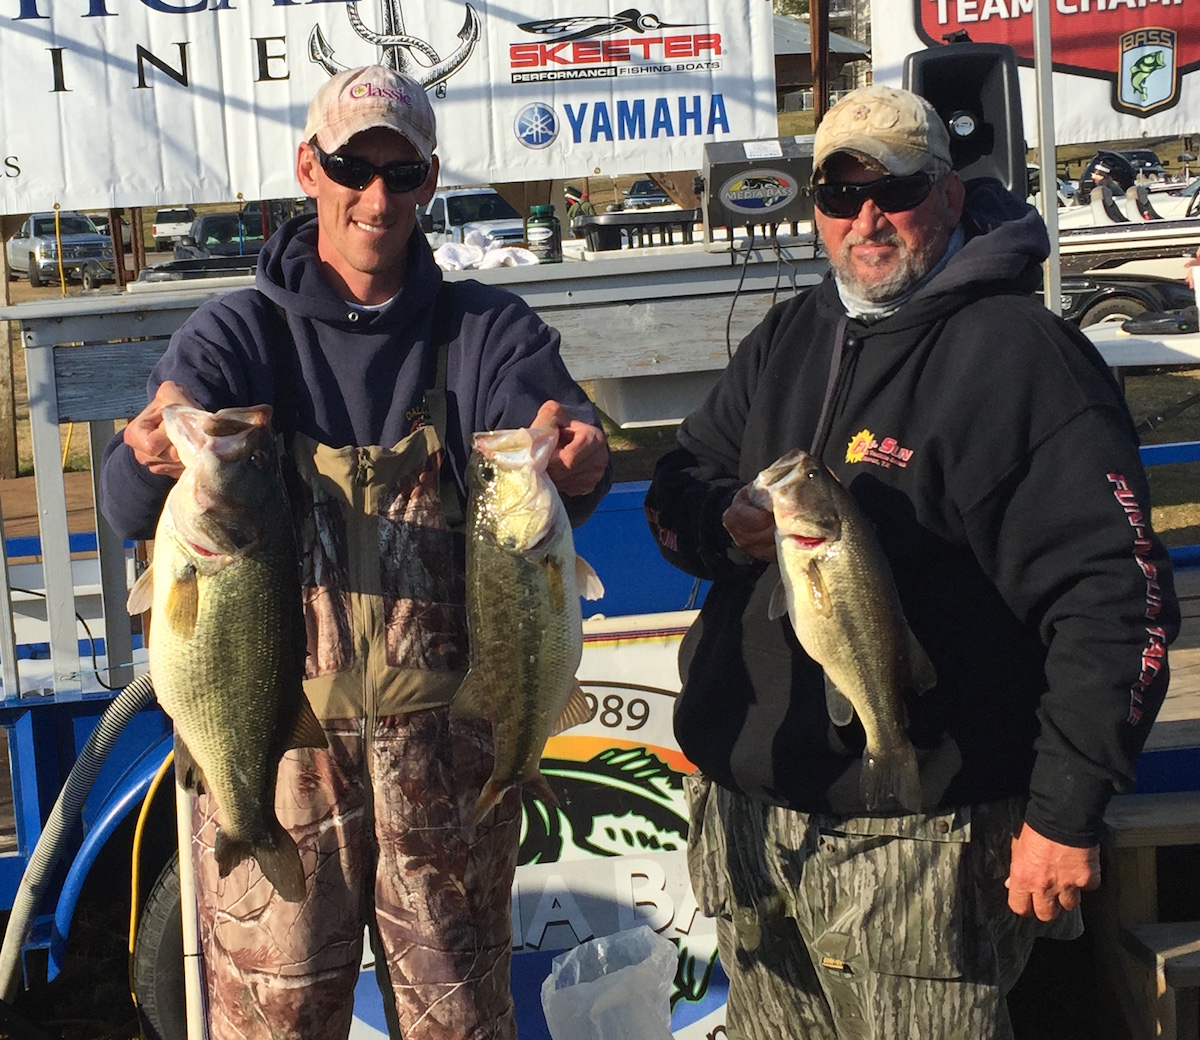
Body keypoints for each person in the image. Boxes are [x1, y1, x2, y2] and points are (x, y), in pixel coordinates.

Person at [644, 84, 1178, 1038]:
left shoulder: (1022, 357)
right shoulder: (788, 335)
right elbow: (679, 487)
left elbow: (1117, 599)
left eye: (895, 189)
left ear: (950, 193)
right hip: (750, 823)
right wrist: (723, 525)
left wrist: (1064, 813)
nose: (867, 218)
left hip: (925, 842)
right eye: (839, 194)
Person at [100, 65, 611, 1040]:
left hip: (448, 775)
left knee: (462, 1023)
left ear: (428, 181)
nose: (375, 196)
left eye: (401, 172)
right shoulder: (237, 334)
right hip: (273, 758)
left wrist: (579, 450)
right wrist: (151, 447)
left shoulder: (484, 332)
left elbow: (555, 442)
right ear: (309, 168)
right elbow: (130, 502)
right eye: (351, 167)